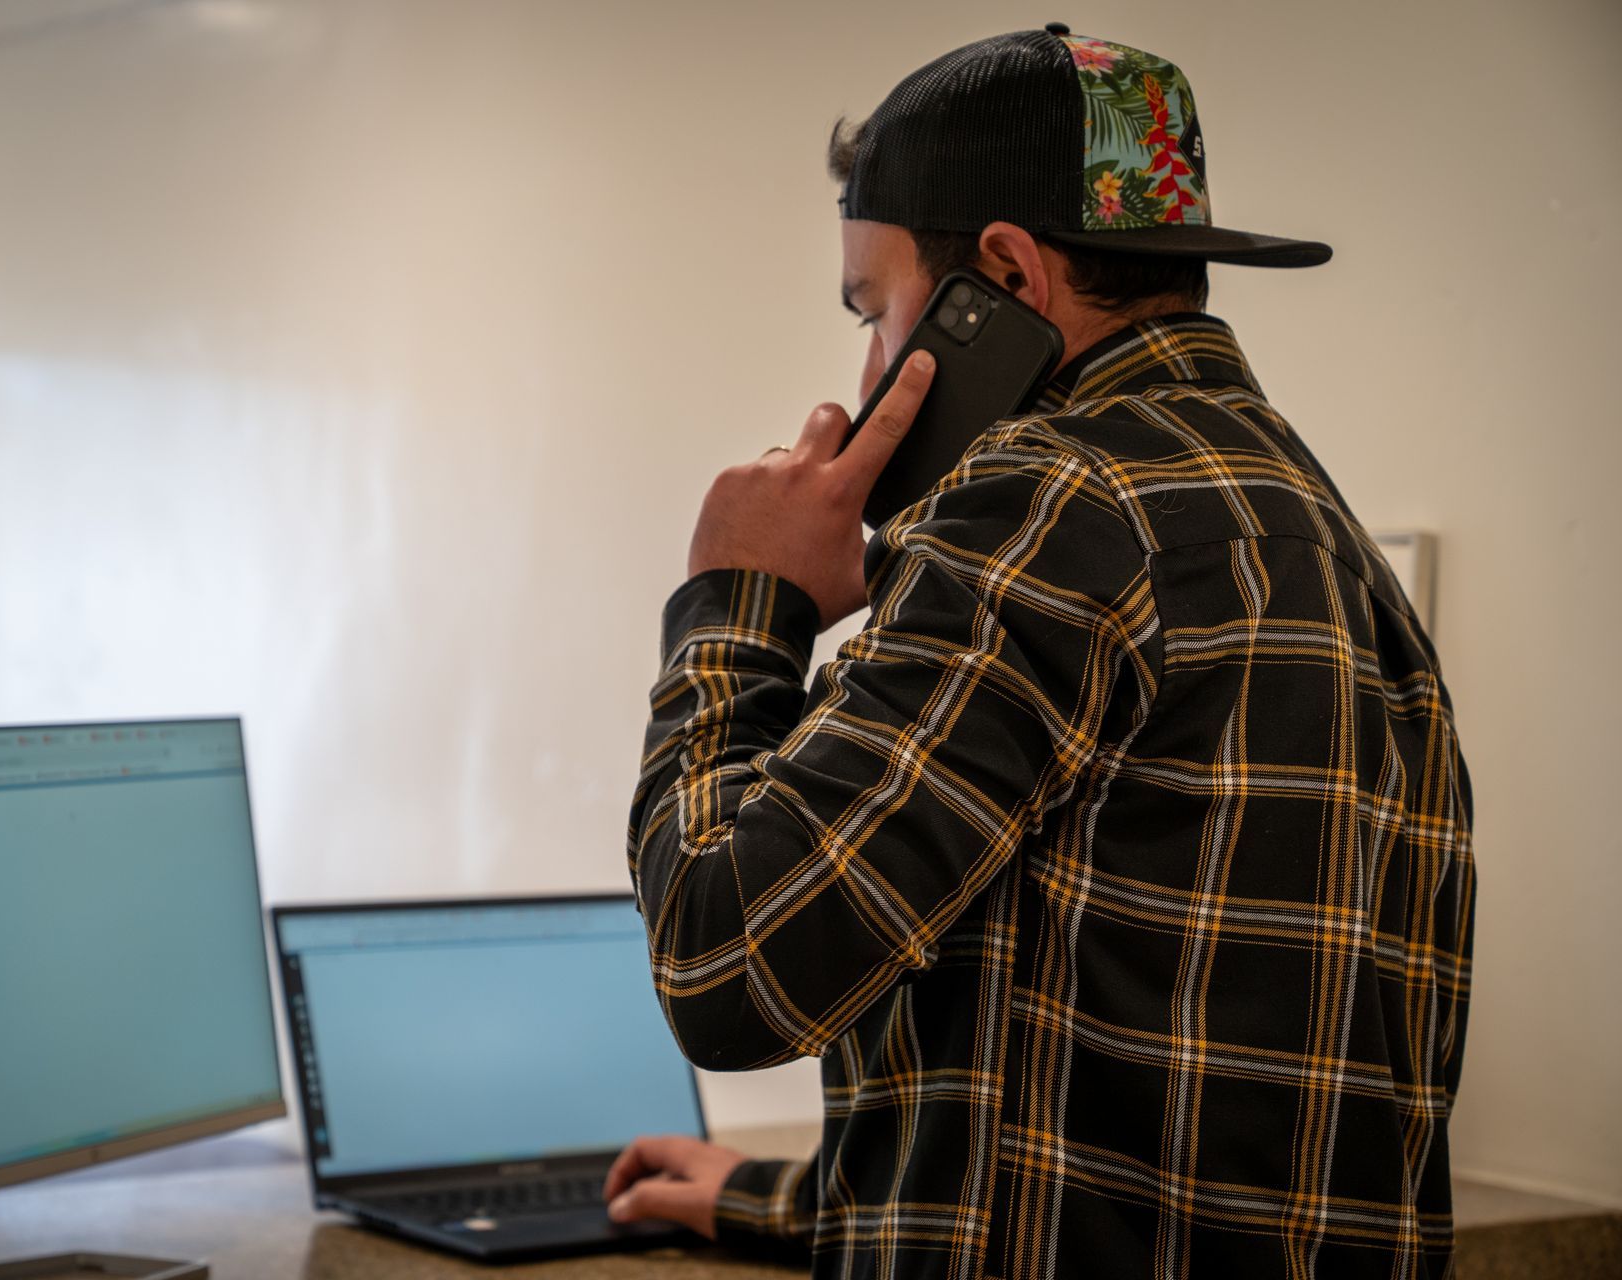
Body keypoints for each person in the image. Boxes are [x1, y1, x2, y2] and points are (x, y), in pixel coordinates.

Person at [603, 25, 1475, 1280]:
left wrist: (741, 599)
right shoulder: (1313, 531)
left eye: (878, 307)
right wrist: (775, 1195)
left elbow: (728, 963)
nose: (866, 368)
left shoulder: (1050, 498)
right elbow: (1143, 1116)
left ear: (1000, 281)